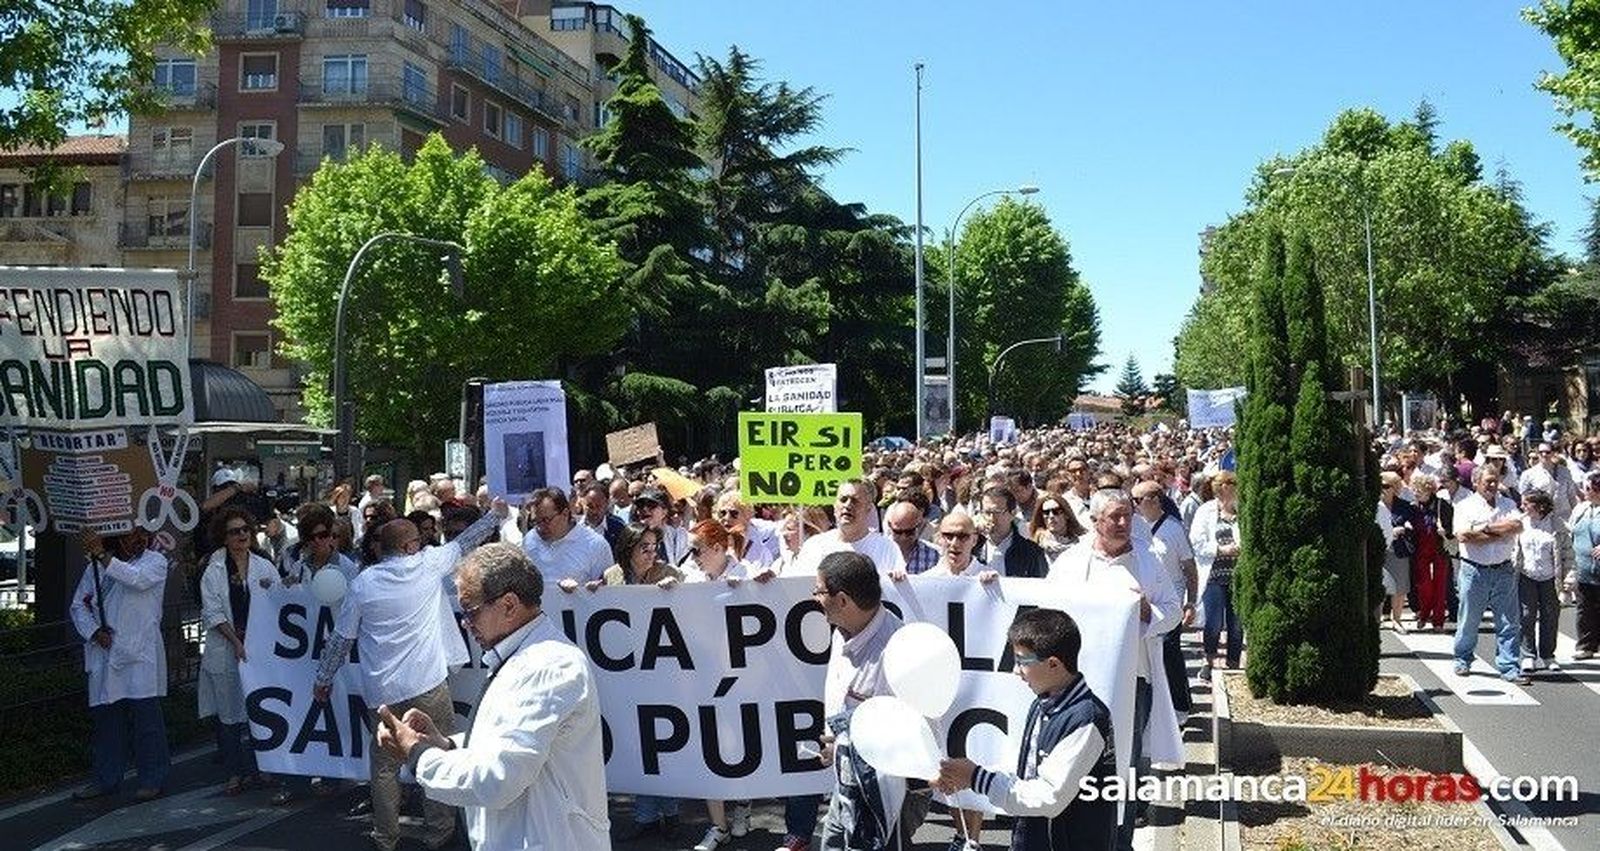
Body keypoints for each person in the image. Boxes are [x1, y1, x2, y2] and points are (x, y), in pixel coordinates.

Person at [376, 543, 609, 850]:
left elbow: (498, 779)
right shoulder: (524, 656)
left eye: (470, 610)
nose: (464, 622)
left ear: (509, 605)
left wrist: (418, 754)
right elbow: (507, 743)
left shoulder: (549, 665)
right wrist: (444, 745)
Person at [315, 503, 508, 851]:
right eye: (418, 540)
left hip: (383, 692)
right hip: (427, 685)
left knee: (385, 768)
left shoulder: (362, 584)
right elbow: (466, 542)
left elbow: (342, 638)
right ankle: (440, 833)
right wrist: (496, 515)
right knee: (439, 755)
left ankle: (385, 838)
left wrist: (323, 679)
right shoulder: (428, 565)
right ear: (408, 547)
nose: (424, 544)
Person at [1049, 489, 1181, 848]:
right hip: (1077, 683)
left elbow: (1172, 609)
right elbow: (1047, 613)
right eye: (1114, 517)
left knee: (1126, 760)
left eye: (1127, 516)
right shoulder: (1070, 564)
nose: (1124, 524)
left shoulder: (1148, 562)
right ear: (1094, 521)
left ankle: (1120, 839)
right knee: (1075, 758)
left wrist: (1146, 613)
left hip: (1133, 680)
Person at [935, 609, 1117, 851]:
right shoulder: (1044, 703)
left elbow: (1050, 797)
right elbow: (1027, 773)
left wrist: (977, 778)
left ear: (1053, 664)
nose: (1016, 671)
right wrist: (963, 774)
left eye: (1022, 662)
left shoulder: (1086, 719)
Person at [815, 551, 929, 850]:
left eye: (819, 591)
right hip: (847, 783)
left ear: (842, 600)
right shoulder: (842, 631)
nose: (815, 597)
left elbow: (920, 732)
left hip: (889, 798)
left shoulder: (900, 652)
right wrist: (837, 744)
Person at [69, 528, 172, 802]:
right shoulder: (96, 567)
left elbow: (136, 581)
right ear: (118, 538)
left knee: (147, 724)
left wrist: (101, 555)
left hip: (140, 655)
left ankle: (153, 779)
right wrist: (93, 631)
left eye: (142, 534)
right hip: (106, 653)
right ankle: (106, 779)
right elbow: (79, 605)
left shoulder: (154, 561)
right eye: (130, 535)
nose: (138, 539)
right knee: (107, 724)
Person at [273, 503, 362, 804]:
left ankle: (333, 774)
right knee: (302, 712)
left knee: (336, 713)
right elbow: (291, 599)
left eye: (325, 535)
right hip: (304, 654)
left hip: (337, 655)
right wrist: (275, 590)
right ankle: (297, 777)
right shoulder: (299, 565)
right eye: (311, 537)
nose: (319, 542)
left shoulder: (348, 569)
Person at [197, 507, 277, 795]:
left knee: (259, 710)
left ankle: (264, 767)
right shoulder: (213, 568)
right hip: (228, 647)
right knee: (229, 715)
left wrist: (283, 589)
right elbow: (213, 612)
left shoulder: (264, 565)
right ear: (224, 537)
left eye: (245, 529)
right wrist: (236, 642)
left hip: (259, 650)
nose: (242, 535)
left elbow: (277, 603)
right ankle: (234, 773)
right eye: (235, 531)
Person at [1452, 466, 1529, 685]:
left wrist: (1485, 530)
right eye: (1488, 481)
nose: (1493, 486)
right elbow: (1464, 535)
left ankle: (1509, 666)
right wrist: (1499, 533)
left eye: (1495, 481)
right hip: (1474, 570)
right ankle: (1463, 658)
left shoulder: (1507, 503)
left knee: (1508, 622)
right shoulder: (1465, 506)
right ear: (1476, 482)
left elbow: (1517, 525)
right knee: (1469, 620)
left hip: (1503, 569)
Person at [1133, 480, 1197, 722]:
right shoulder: (1134, 527)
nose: (1134, 505)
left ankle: (1181, 706)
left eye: (1138, 500)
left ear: (1155, 501)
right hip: (1145, 600)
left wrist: (1190, 602)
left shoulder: (1173, 529)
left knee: (1170, 652)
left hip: (1171, 600)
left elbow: (1189, 567)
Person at [792, 480, 905, 575]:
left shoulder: (887, 548)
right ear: (835, 506)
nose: (847, 505)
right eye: (843, 500)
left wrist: (897, 580)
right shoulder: (814, 545)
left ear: (869, 509)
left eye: (855, 501)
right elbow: (794, 588)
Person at [1189, 470, 1240, 680]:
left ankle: (1234, 662)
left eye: (1229, 488)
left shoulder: (1241, 511)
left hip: (1237, 575)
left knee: (1237, 622)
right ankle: (1208, 660)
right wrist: (1220, 549)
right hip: (1214, 575)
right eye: (1221, 488)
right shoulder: (1206, 511)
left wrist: (1239, 547)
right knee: (1214, 621)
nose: (1225, 492)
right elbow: (1197, 541)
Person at [1515, 489, 1570, 674]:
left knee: (1550, 616)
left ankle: (1548, 655)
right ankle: (1528, 655)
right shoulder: (1520, 523)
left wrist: (1569, 580)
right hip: (1526, 576)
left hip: (1550, 578)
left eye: (1526, 503)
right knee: (1526, 615)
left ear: (1540, 506)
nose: (1522, 506)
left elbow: (1568, 556)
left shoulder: (1558, 526)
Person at [521, 487, 613, 592]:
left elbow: (609, 591)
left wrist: (584, 590)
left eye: (546, 520)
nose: (540, 527)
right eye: (536, 522)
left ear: (565, 514)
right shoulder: (530, 540)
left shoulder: (596, 545)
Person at [1409, 472, 1454, 633]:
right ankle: (1425, 613)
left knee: (1440, 585)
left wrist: (1446, 532)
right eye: (1414, 490)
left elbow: (1453, 528)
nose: (1415, 493)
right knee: (1424, 585)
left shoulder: (1443, 506)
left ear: (1429, 490)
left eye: (1419, 490)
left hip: (1440, 549)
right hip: (1421, 550)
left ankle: (1438, 621)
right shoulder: (1414, 507)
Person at [975, 485, 1051, 578]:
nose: (991, 518)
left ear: (1013, 513)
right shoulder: (972, 547)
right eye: (987, 512)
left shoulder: (1031, 552)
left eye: (998, 512)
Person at [1376, 471, 1415, 632]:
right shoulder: (1374, 506)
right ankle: (1376, 619)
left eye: (1386, 486)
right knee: (1378, 586)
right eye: (1381, 485)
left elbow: (1412, 525)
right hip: (1379, 549)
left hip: (1398, 549)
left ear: (1395, 487)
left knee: (1399, 586)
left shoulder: (1405, 506)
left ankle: (1396, 619)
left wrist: (1406, 527)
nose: (1382, 489)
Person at [1569, 470, 1600, 659]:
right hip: (1583, 567)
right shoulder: (1581, 509)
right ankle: (1587, 645)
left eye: (1589, 488)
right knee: (1584, 607)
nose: (1585, 491)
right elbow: (1572, 531)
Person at [884, 500, 940, 574]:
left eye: (909, 532)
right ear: (890, 525)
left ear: (919, 526)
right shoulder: (879, 551)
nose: (903, 537)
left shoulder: (934, 554)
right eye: (898, 532)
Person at [1031, 493, 1086, 559]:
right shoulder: (1037, 547)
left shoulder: (1082, 544)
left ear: (1066, 515)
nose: (1051, 516)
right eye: (1046, 512)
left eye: (1056, 511)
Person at [577, 481, 626, 548]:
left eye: (599, 506)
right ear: (582, 503)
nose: (594, 511)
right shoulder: (574, 528)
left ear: (606, 504)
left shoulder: (619, 528)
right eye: (590, 506)